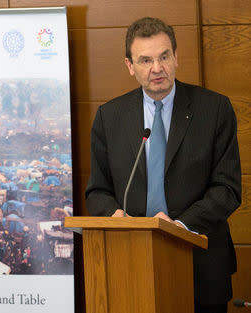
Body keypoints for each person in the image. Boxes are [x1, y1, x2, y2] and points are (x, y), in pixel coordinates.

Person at [85, 17, 241, 313]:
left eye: (164, 56)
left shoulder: (214, 109)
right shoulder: (110, 117)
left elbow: (227, 189)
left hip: (201, 263)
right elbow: (97, 191)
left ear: (176, 57)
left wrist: (180, 226)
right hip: (131, 264)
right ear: (130, 66)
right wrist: (114, 215)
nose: (157, 68)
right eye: (145, 60)